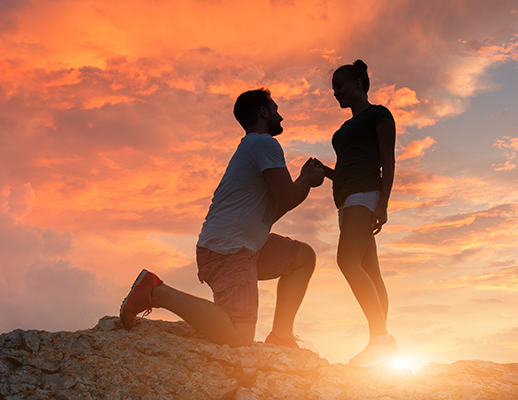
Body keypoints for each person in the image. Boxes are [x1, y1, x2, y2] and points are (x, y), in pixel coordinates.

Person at [119, 88, 326, 348]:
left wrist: (302, 181)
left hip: (243, 247)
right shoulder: (264, 143)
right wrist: (307, 181)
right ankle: (154, 290)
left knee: (303, 258)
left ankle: (282, 337)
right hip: (228, 250)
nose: (280, 116)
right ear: (264, 112)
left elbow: (270, 214)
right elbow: (287, 198)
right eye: (276, 109)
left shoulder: (252, 147)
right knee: (239, 339)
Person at [319, 59, 400, 366]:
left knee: (347, 261)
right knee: (372, 273)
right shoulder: (341, 132)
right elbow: (344, 172)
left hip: (366, 196)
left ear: (358, 83)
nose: (335, 92)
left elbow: (388, 161)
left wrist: (383, 204)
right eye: (333, 89)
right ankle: (381, 342)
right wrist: (323, 171)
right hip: (347, 200)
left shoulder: (379, 115)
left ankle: (381, 340)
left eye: (339, 86)